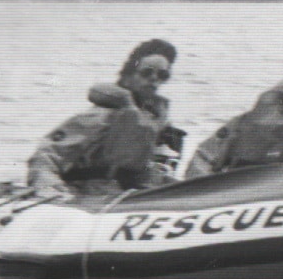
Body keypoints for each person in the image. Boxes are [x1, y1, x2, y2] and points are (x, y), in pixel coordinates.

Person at [27, 39, 186, 195]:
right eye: (146, 72)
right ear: (128, 75)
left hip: (129, 194)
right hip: (90, 194)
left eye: (162, 75)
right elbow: (47, 154)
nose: (154, 79)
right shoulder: (103, 114)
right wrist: (49, 187)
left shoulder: (156, 121)